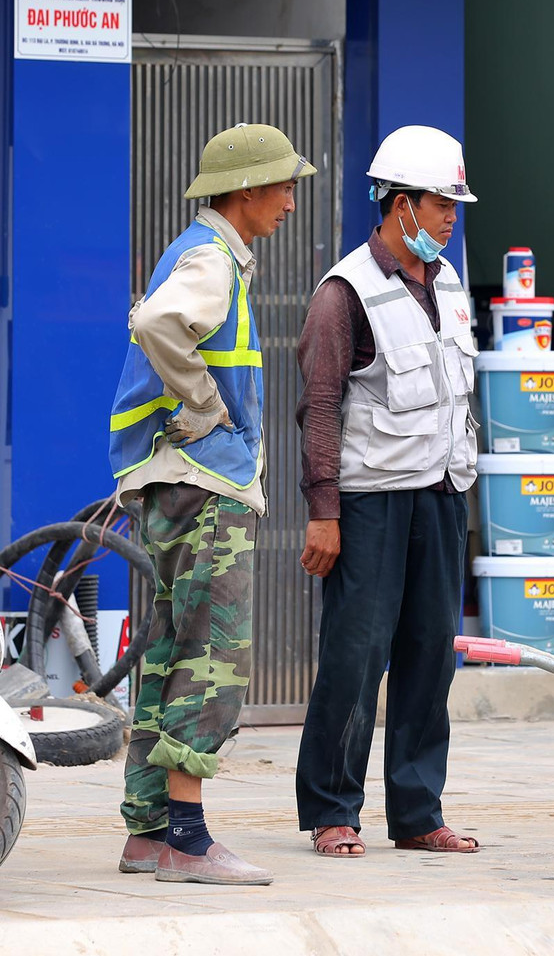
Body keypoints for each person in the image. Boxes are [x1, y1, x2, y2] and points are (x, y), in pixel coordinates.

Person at [109, 123, 316, 885]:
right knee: (213, 655)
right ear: (247, 189)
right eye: (284, 186)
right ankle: (188, 842)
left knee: (170, 647)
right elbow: (157, 324)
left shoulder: (199, 252)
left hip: (176, 479)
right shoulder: (211, 258)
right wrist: (204, 408)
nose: (290, 202)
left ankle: (147, 831)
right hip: (202, 482)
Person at [294, 125, 480, 858]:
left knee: (431, 654)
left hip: (442, 494)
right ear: (401, 205)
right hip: (371, 500)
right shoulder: (344, 293)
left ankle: (418, 811)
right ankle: (332, 809)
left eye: (454, 206)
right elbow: (319, 407)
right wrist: (324, 512)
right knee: (357, 653)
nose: (450, 218)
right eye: (441, 204)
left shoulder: (450, 283)